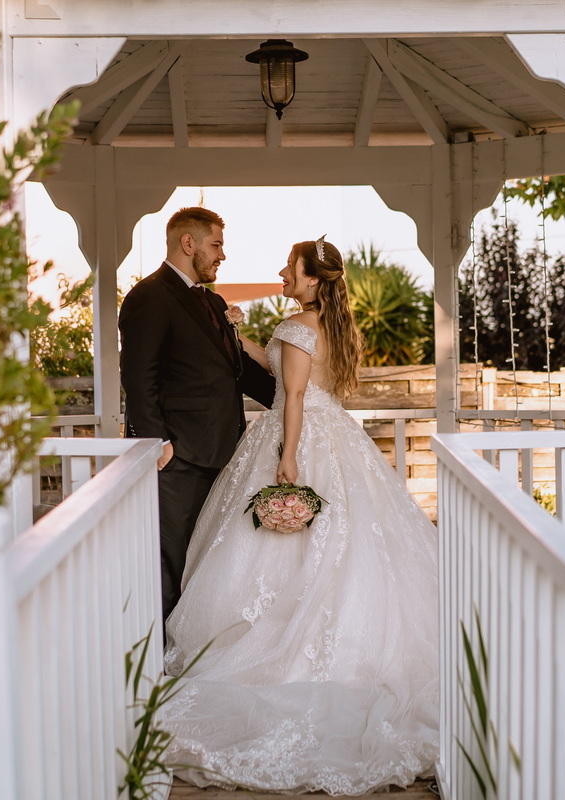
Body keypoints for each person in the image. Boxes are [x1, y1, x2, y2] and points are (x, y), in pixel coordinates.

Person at [159, 237, 438, 794]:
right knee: (349, 545)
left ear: (312, 279)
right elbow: (288, 370)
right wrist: (239, 336)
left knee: (283, 545)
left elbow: (291, 397)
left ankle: (280, 650)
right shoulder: (331, 325)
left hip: (299, 435)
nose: (283, 272)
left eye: (291, 267)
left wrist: (287, 456)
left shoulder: (295, 325)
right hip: (339, 436)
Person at [119, 207, 275, 620]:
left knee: (209, 559)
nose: (222, 255)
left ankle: (194, 643)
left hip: (224, 453)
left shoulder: (214, 301)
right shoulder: (148, 296)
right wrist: (158, 443)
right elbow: (138, 376)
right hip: (178, 457)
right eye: (216, 245)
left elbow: (236, 371)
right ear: (188, 243)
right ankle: (159, 652)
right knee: (170, 561)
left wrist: (295, 400)